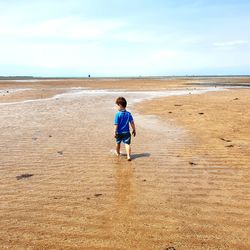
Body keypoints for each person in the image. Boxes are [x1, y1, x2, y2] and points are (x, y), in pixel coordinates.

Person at [114, 97, 136, 161]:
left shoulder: (117, 114)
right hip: (127, 132)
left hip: (119, 132)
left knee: (118, 143)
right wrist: (134, 129)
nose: (117, 107)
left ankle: (117, 153)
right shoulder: (128, 114)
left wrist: (114, 132)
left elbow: (116, 124)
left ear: (120, 105)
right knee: (127, 144)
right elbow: (132, 123)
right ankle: (128, 156)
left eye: (117, 106)